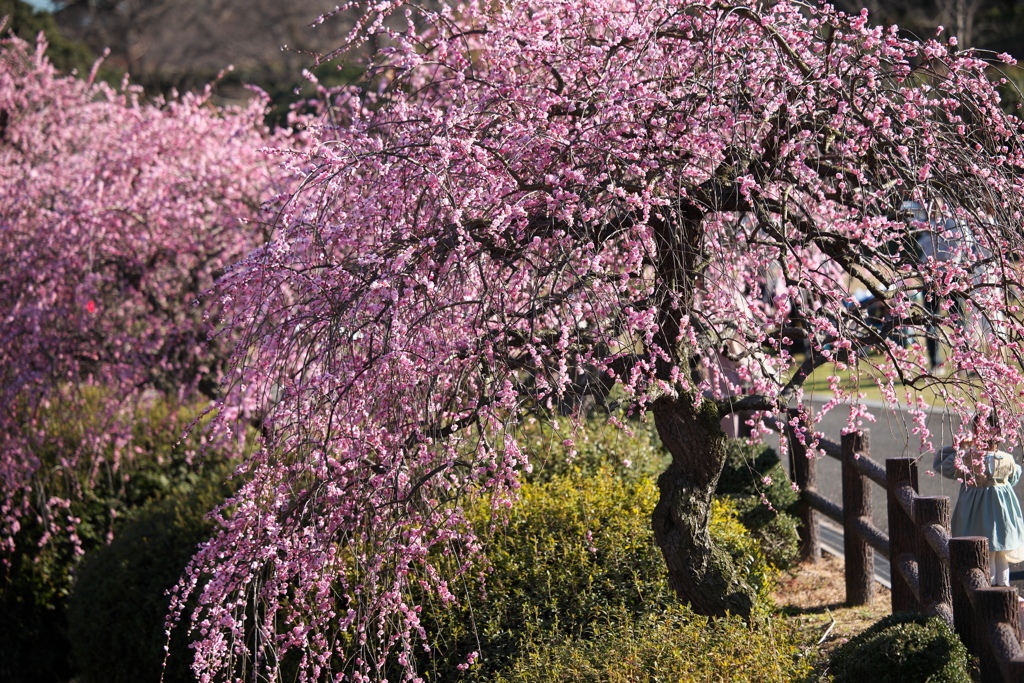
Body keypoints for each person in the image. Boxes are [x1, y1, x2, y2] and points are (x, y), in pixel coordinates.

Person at [934, 411, 1024, 586]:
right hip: (1003, 511)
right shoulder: (1007, 459)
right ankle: (1003, 590)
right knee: (1000, 553)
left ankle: (985, 592)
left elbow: (942, 465)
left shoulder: (968, 458)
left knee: (983, 554)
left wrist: (957, 448)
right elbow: (1013, 479)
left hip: (975, 512)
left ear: (976, 433)